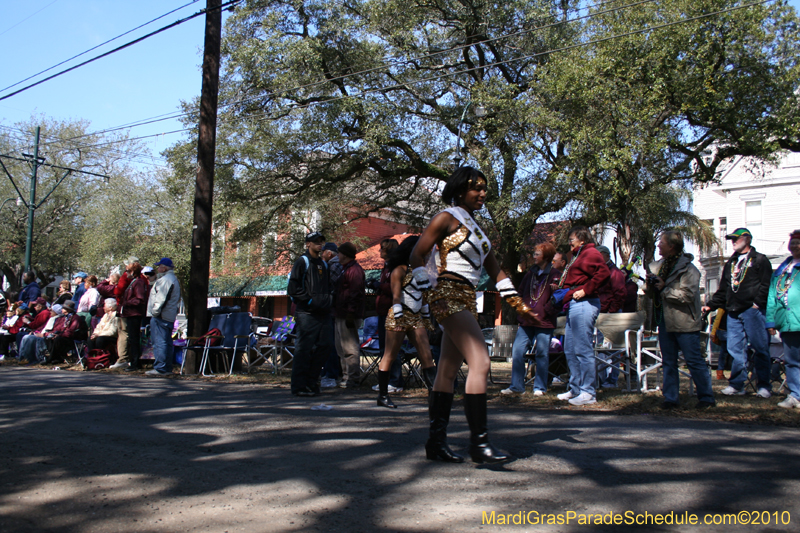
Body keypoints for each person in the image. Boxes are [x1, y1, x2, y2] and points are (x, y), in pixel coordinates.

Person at [410, 166, 535, 464]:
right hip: (448, 293)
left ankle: (436, 443)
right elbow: (417, 254)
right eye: (475, 187)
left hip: (468, 297)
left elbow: (495, 270)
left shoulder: (477, 228)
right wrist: (426, 286)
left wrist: (519, 303)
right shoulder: (445, 218)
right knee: (481, 360)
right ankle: (479, 444)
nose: (482, 193)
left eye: (484, 188)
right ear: (459, 189)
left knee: (447, 371)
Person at [647, 231, 715, 409]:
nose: (658, 245)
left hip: (684, 321)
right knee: (668, 361)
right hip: (665, 321)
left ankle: (706, 397)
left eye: (661, 242)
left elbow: (687, 295)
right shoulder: (659, 267)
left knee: (693, 360)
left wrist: (664, 289)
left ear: (671, 246)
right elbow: (654, 294)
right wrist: (649, 286)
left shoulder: (689, 269)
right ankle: (670, 398)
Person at [702, 228, 773, 397]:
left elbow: (766, 285)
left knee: (760, 348)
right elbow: (724, 289)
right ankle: (737, 385)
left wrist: (757, 304)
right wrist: (710, 305)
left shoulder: (760, 260)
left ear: (747, 239)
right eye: (731, 239)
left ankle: (764, 386)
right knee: (735, 350)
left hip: (752, 311)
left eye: (736, 238)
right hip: (732, 312)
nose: (733, 242)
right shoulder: (731, 262)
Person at [375, 236, 437, 408]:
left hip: (416, 317)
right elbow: (395, 297)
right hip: (399, 315)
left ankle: (434, 395)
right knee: (390, 355)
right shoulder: (399, 271)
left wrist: (426, 319)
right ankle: (383, 395)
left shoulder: (422, 271)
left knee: (427, 356)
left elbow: (424, 297)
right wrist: (399, 317)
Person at [556, 226, 610, 406]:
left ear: (581, 239)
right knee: (570, 348)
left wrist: (586, 290)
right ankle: (576, 388)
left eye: (571, 240)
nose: (569, 243)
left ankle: (588, 392)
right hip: (573, 304)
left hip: (585, 304)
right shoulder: (578, 255)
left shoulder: (591, 253)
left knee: (582, 348)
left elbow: (604, 273)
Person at [502, 242, 562, 396]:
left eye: (537, 254)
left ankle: (539, 387)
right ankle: (517, 386)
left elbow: (558, 299)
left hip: (544, 322)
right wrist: (522, 312)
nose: (534, 256)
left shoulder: (555, 275)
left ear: (546, 256)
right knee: (517, 351)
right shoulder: (530, 273)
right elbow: (520, 293)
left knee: (542, 354)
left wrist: (545, 312)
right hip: (526, 321)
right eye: (534, 253)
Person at [287, 231, 334, 396]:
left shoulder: (324, 264)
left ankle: (312, 382)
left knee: (326, 346)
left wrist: (329, 300)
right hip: (306, 314)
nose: (319, 244)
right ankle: (299, 386)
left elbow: (329, 286)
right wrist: (309, 301)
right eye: (315, 242)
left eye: (321, 241)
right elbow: (293, 288)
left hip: (324, 314)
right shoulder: (302, 262)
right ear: (308, 244)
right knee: (303, 349)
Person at [766, 230, 800, 408]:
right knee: (792, 361)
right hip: (787, 322)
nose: (795, 246)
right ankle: (796, 395)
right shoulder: (782, 269)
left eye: (798, 242)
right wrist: (770, 321)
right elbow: (772, 296)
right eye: (792, 242)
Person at [369, 238, 405, 394]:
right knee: (385, 348)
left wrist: (379, 285)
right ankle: (388, 380)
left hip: (392, 311)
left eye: (382, 248)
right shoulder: (386, 267)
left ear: (390, 250)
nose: (380, 251)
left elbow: (395, 288)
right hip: (383, 311)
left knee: (392, 349)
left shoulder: (396, 267)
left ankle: (395, 381)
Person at [334, 242, 366, 388]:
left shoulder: (354, 270)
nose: (337, 255)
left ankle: (353, 378)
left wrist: (351, 313)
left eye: (339, 253)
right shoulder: (344, 269)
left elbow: (356, 293)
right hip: (340, 312)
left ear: (345, 255)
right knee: (341, 347)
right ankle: (346, 375)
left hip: (348, 313)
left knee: (350, 347)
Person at [110, 257, 149, 371]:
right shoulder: (135, 282)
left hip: (134, 313)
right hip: (130, 313)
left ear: (132, 271)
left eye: (127, 271)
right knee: (132, 338)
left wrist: (126, 303)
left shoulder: (138, 282)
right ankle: (134, 362)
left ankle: (135, 363)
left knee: (134, 338)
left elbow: (139, 299)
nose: (125, 273)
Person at [146, 258, 181, 376]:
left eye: (159, 266)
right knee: (166, 341)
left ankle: (160, 367)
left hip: (161, 316)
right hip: (168, 315)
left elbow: (161, 298)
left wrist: (155, 312)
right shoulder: (173, 279)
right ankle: (166, 367)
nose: (157, 268)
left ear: (164, 268)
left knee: (160, 342)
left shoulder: (165, 280)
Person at [319, 242, 343, 387]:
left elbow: (330, 287)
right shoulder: (339, 265)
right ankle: (334, 371)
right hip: (336, 310)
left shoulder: (333, 266)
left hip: (332, 310)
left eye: (323, 252)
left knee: (331, 344)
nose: (322, 255)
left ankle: (331, 374)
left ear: (329, 253)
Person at [596, 245, 627, 314]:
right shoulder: (597, 271)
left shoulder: (615, 272)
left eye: (599, 255)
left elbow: (620, 293)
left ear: (607, 256)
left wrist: (611, 311)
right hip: (599, 311)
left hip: (611, 313)